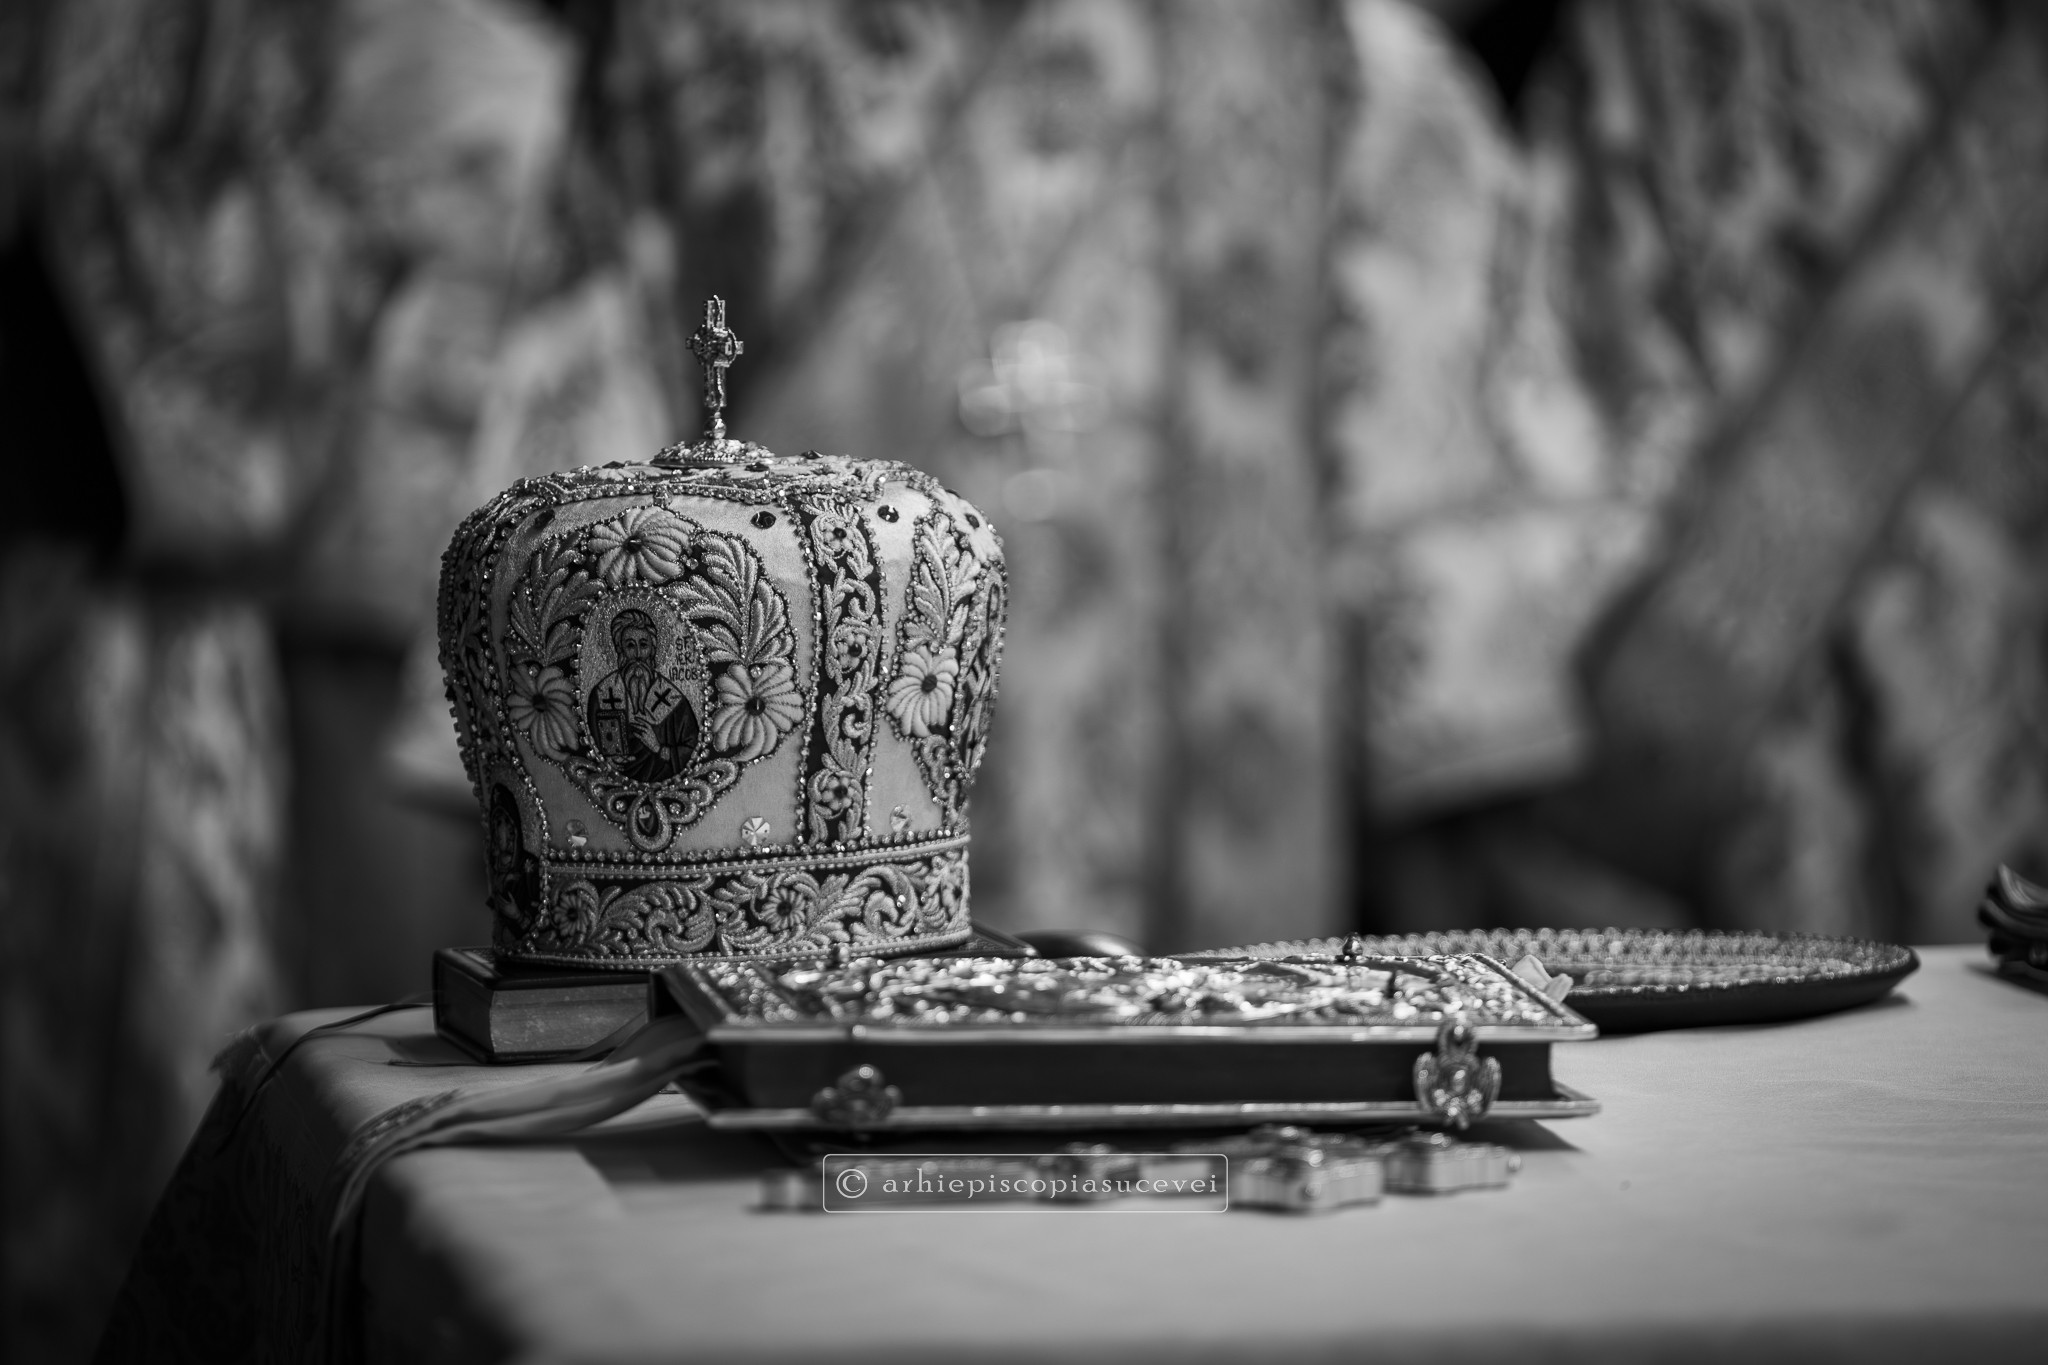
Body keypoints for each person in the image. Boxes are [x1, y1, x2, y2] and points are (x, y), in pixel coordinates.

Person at [587, 608, 699, 782]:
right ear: (620, 649)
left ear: (653, 649)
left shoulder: (674, 699)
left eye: (644, 645)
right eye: (630, 646)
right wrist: (605, 760)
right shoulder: (601, 694)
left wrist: (659, 748)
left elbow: (692, 750)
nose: (638, 655)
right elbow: (589, 743)